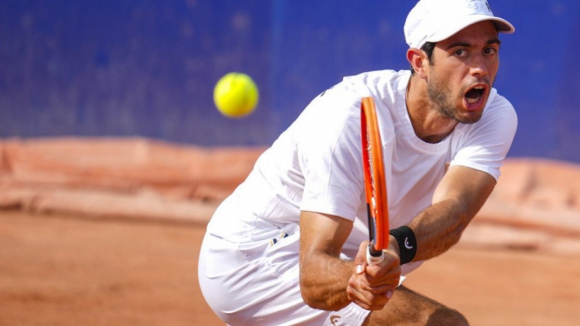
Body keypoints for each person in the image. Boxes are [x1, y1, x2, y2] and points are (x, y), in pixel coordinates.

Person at [198, 0, 517, 324]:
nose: (480, 67)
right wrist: (358, 276)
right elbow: (313, 275)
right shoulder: (348, 116)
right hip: (254, 258)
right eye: (460, 52)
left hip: (351, 255)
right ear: (419, 62)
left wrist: (395, 246)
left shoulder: (494, 114)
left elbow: (456, 208)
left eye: (489, 50)